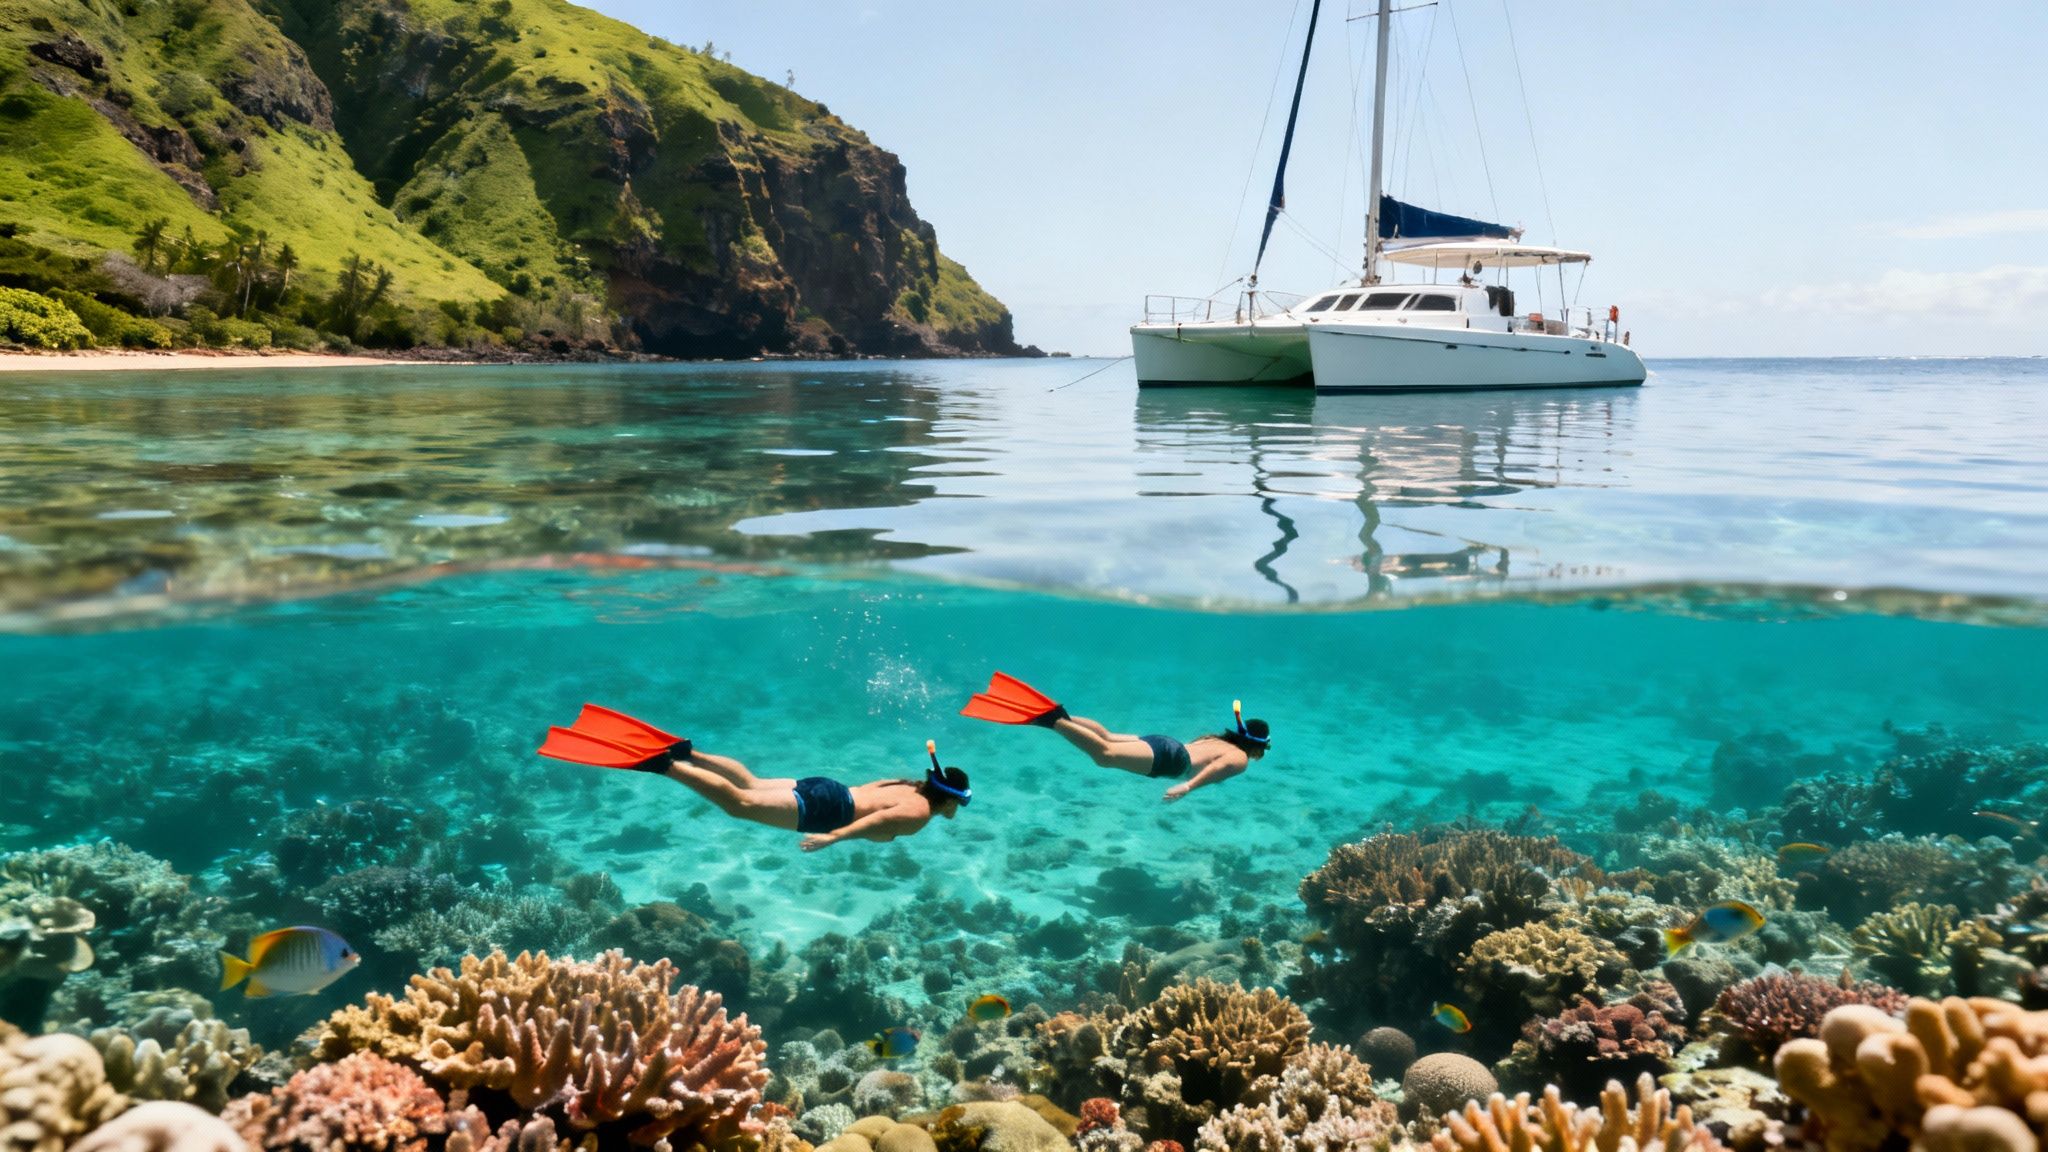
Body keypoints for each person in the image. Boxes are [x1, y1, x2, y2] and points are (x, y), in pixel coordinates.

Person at [539, 704, 970, 851]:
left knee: (751, 781)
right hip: (828, 810)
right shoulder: (919, 813)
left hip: (828, 787)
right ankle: (664, 765)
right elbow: (876, 823)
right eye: (960, 803)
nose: (956, 811)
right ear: (947, 799)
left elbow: (875, 802)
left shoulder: (909, 784)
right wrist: (833, 838)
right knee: (738, 805)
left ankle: (689, 753)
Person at [961, 673, 1268, 802]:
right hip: (1171, 760)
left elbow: (1205, 757)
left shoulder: (1218, 739)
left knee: (1105, 735)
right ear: (1256, 746)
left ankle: (1059, 717)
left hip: (1166, 744)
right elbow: (1216, 770)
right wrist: (1187, 787)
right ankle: (1052, 720)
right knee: (1104, 755)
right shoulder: (1239, 758)